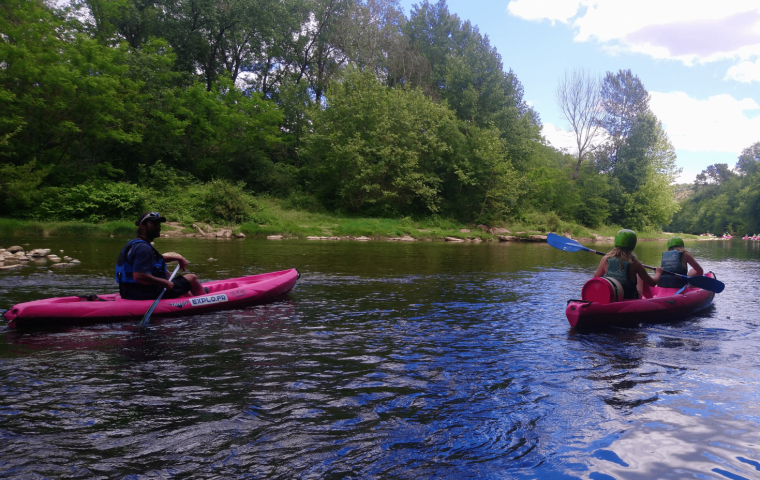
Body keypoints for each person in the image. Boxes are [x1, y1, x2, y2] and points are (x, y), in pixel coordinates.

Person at [115, 212, 206, 300]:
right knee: (192, 278)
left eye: (158, 223)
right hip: (143, 293)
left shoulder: (135, 243)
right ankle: (203, 303)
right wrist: (164, 282)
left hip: (127, 292)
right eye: (153, 223)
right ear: (142, 226)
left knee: (166, 273)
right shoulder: (143, 248)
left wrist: (178, 258)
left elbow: (155, 259)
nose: (158, 226)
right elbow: (139, 276)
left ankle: (189, 298)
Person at [593, 229, 663, 300]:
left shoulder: (605, 259)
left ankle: (650, 299)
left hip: (612, 297)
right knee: (640, 275)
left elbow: (596, 277)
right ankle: (651, 300)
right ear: (633, 244)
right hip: (629, 298)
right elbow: (653, 283)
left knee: (640, 275)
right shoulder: (635, 263)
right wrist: (658, 272)